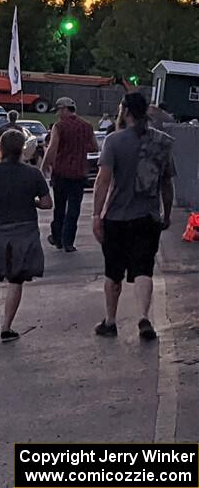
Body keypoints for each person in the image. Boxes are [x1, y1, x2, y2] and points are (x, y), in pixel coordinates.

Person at [92, 93, 174, 341]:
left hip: (117, 217)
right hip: (148, 217)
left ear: (125, 111)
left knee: (113, 272)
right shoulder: (162, 142)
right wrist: (166, 214)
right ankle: (143, 318)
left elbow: (103, 181)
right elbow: (167, 184)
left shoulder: (114, 141)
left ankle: (111, 320)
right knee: (143, 270)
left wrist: (97, 215)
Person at [0, 131, 52, 342]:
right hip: (24, 229)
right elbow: (47, 203)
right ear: (22, 149)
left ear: (1, 148)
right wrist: (31, 201)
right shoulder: (33, 173)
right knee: (16, 279)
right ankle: (7, 327)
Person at [41, 97, 98, 253]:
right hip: (79, 174)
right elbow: (94, 147)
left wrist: (44, 166)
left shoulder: (59, 127)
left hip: (61, 172)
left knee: (59, 207)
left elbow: (52, 148)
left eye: (58, 111)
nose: (57, 114)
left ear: (65, 109)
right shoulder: (87, 126)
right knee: (74, 208)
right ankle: (68, 242)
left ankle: (57, 237)